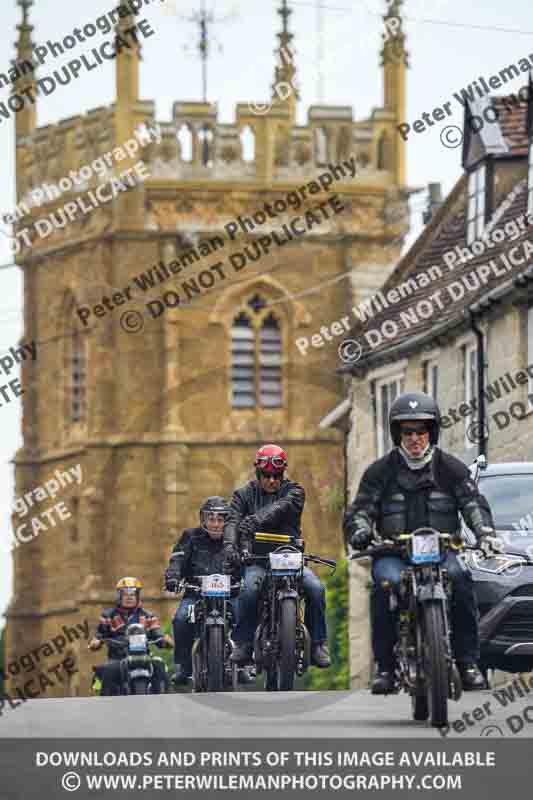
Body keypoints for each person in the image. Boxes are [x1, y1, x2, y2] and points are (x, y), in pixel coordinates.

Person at [343, 392, 496, 694]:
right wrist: (360, 530)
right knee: (384, 586)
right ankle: (385, 668)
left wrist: (486, 534)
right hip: (393, 553)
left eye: (421, 431)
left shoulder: (450, 468)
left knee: (462, 580)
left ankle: (468, 664)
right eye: (407, 431)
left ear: (432, 432)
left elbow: (472, 503)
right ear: (398, 433)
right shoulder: (380, 471)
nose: (414, 438)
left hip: (442, 551)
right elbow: (361, 509)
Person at [224, 444, 331, 668]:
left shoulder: (295, 491)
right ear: (258, 472)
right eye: (267, 476)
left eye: (277, 476)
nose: (272, 480)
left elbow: (284, 506)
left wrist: (256, 520)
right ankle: (243, 643)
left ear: (283, 474)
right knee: (249, 590)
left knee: (316, 588)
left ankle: (318, 644)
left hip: (290, 559)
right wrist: (229, 547)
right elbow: (232, 521)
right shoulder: (242, 495)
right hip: (258, 560)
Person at [164, 496, 233, 684]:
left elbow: (244, 562)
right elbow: (177, 559)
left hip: (230, 594)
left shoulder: (234, 539)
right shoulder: (190, 536)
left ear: (227, 521)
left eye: (220, 519)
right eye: (211, 519)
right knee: (180, 619)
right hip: (195, 594)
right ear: (204, 520)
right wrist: (172, 577)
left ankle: (243, 662)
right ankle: (184, 666)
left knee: (247, 612)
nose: (216, 524)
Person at [88, 577, 172, 695]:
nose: (129, 597)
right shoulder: (108, 616)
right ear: (119, 596)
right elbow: (99, 635)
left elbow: (157, 633)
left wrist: (165, 640)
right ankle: (106, 707)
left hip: (145, 658)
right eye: (125, 594)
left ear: (137, 596)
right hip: (117, 659)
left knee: (160, 665)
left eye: (133, 594)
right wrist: (96, 642)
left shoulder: (148, 616)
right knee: (108, 671)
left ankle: (166, 702)